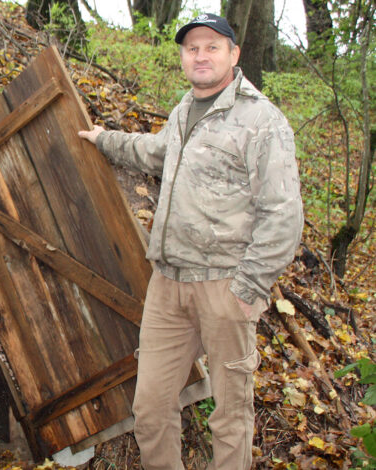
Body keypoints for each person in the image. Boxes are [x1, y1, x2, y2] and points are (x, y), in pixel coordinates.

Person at [78, 13, 303, 470]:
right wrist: (105, 140)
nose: (201, 55)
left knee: (230, 416)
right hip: (167, 286)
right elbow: (156, 152)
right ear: (183, 57)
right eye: (192, 48)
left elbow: (283, 214)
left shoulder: (262, 120)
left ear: (234, 55)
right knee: (151, 408)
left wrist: (250, 288)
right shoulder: (185, 111)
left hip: (225, 287)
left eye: (212, 47)